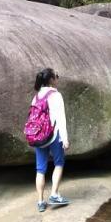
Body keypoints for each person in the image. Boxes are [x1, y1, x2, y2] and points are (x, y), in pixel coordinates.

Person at [32, 68, 69, 212]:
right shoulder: (56, 95)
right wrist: (65, 139)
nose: (58, 78)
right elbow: (61, 119)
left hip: (39, 136)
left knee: (40, 169)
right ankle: (54, 194)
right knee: (59, 163)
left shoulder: (36, 96)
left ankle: (41, 202)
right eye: (57, 76)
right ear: (52, 79)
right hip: (53, 135)